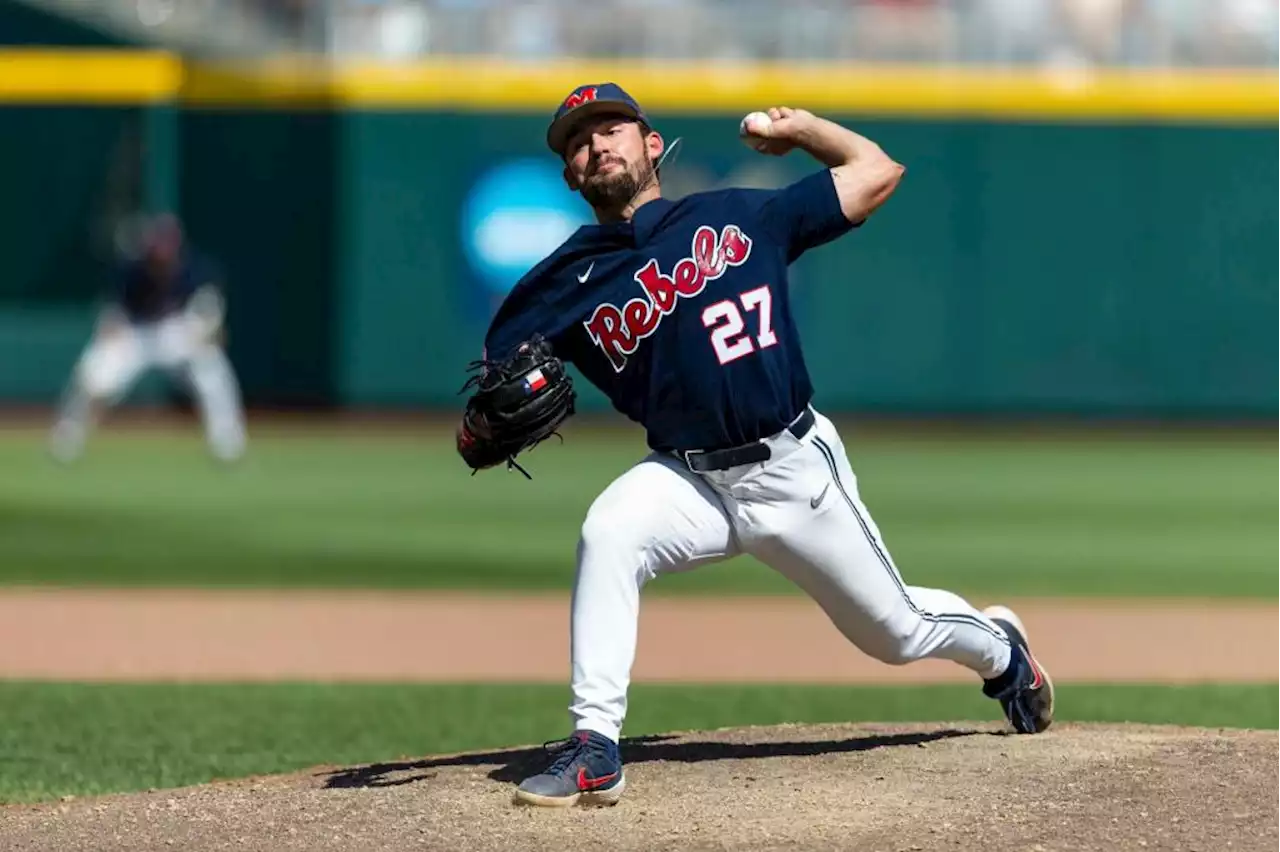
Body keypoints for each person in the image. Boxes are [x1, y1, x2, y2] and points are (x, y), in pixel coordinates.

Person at [456, 83, 1054, 808]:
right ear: (570, 176)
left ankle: (1002, 653)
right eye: (579, 141)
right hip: (688, 480)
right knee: (609, 529)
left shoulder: (741, 214)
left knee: (895, 631)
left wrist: (801, 128)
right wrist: (480, 429)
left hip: (793, 470)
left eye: (611, 128)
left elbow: (877, 170)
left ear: (651, 146)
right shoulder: (558, 284)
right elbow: (488, 401)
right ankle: (595, 747)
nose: (596, 145)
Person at [49, 213, 247, 464]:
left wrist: (208, 332)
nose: (161, 253)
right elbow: (113, 313)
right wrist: (109, 329)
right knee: (93, 373)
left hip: (178, 333)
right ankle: (68, 437)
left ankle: (226, 441)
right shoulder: (131, 270)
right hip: (137, 333)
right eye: (157, 246)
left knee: (212, 371)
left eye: (167, 246)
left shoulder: (198, 270)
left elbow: (209, 316)